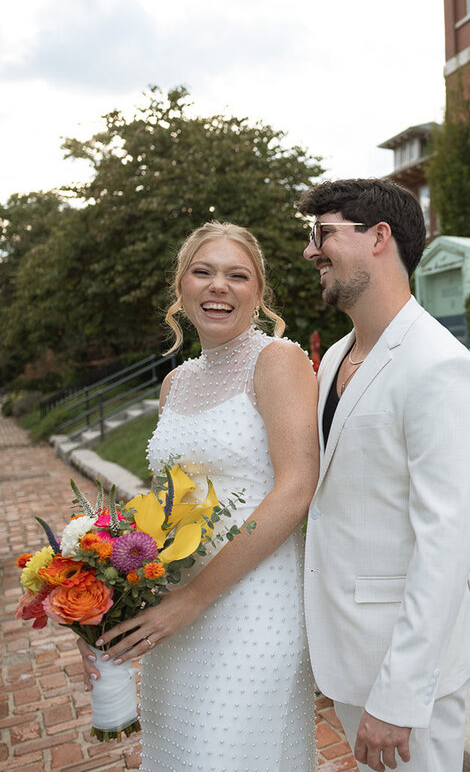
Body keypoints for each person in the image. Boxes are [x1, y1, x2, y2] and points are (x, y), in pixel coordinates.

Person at [79, 222, 321, 771]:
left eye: (238, 275)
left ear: (259, 294)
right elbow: (165, 508)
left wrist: (193, 600)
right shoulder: (176, 383)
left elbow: (296, 488)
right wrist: (103, 609)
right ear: (181, 287)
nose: (219, 286)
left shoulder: (278, 360)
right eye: (203, 272)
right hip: (175, 608)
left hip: (254, 603)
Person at [297, 178, 470, 772]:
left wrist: (399, 693)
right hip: (351, 644)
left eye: (323, 233)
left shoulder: (440, 367)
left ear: (378, 237)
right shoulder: (335, 356)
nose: (311, 251)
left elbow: (446, 544)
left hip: (406, 670)